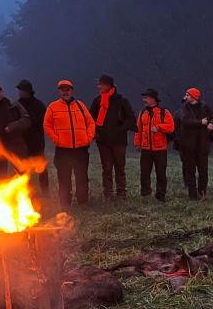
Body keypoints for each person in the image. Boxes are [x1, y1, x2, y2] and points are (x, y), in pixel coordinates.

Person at [43, 79, 96, 208]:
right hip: (63, 150)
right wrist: (57, 139)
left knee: (82, 176)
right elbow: (47, 125)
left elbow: (91, 123)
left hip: (81, 149)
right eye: (63, 90)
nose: (65, 92)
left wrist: (88, 138)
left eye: (68, 89)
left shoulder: (80, 105)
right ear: (59, 92)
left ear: (72, 91)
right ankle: (65, 203)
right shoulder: (52, 107)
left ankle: (83, 201)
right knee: (64, 177)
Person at [89, 74, 136, 202]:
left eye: (101, 84)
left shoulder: (122, 100)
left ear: (109, 85)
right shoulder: (97, 101)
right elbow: (90, 119)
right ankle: (108, 195)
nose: (98, 86)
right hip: (103, 141)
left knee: (120, 167)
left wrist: (120, 129)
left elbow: (131, 119)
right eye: (98, 84)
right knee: (107, 168)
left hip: (119, 141)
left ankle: (121, 194)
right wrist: (95, 132)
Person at [174, 87, 213, 200]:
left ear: (194, 97)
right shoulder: (184, 108)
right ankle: (192, 194)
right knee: (189, 170)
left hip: (202, 144)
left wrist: (212, 124)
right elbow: (185, 121)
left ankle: (202, 192)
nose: (185, 97)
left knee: (203, 170)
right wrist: (200, 122)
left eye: (187, 95)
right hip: (187, 145)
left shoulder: (205, 107)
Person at [135, 88, 174, 201]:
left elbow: (171, 127)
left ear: (153, 99)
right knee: (144, 173)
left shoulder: (164, 112)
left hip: (160, 148)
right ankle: (145, 194)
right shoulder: (142, 113)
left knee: (161, 173)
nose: (144, 100)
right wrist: (137, 143)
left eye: (146, 97)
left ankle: (161, 194)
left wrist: (159, 127)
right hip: (146, 149)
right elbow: (138, 129)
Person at [16, 79, 49, 195]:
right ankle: (25, 193)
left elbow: (44, 121)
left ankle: (46, 192)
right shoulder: (16, 105)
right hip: (22, 144)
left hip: (37, 142)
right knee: (23, 169)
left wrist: (28, 120)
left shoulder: (38, 105)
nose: (20, 92)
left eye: (23, 90)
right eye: (19, 90)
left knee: (41, 168)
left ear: (29, 91)